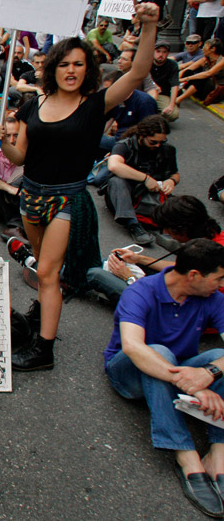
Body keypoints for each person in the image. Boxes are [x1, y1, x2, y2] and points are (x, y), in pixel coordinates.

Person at [0, 1, 160, 371]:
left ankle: (43, 351)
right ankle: (42, 311)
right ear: (54, 68)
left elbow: (138, 72)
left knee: (49, 273)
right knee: (42, 268)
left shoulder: (95, 104)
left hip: (67, 197)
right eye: (65, 64)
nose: (71, 70)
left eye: (79, 64)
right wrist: (1, 140)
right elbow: (19, 159)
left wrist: (149, 27)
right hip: (31, 195)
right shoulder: (35, 104)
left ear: (89, 69)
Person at [102, 240, 224, 518]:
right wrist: (192, 383)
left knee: (217, 356)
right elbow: (133, 347)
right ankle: (187, 457)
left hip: (179, 366)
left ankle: (218, 452)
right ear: (194, 276)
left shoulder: (213, 298)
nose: (221, 285)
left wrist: (208, 374)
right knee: (156, 352)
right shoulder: (142, 291)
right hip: (128, 374)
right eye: (218, 278)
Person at [89, 196, 224, 305]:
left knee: (94, 274)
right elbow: (181, 267)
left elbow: (172, 299)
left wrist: (129, 278)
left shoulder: (206, 258)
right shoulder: (213, 241)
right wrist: (140, 259)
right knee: (114, 263)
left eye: (167, 228)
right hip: (190, 299)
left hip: (182, 313)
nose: (165, 232)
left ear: (182, 228)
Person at [103, 115, 179, 245]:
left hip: (151, 193)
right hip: (125, 193)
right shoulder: (125, 145)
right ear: (142, 136)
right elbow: (114, 165)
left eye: (162, 142)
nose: (158, 145)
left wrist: (171, 181)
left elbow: (174, 174)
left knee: (181, 206)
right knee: (116, 181)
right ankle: (132, 224)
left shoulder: (168, 150)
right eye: (153, 142)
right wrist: (145, 178)